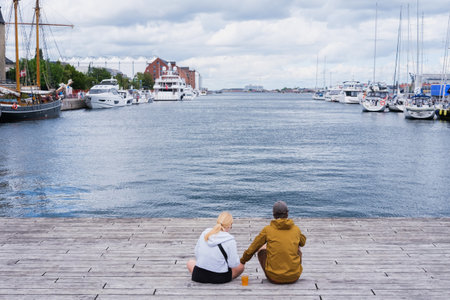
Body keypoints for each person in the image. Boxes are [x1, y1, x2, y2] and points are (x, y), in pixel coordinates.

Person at [240, 201, 306, 284]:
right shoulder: (296, 229)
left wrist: (242, 261)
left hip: (274, 278)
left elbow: (253, 248)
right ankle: (292, 270)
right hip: (294, 277)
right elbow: (303, 242)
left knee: (261, 247)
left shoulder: (267, 230)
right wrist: (297, 233)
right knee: (297, 247)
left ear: (274, 215)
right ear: (287, 214)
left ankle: (274, 271)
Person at [187, 211, 244, 283]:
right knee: (241, 266)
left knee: (190, 262)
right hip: (219, 278)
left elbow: (196, 253)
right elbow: (233, 264)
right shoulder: (230, 240)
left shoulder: (205, 232)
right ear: (229, 225)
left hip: (199, 276)